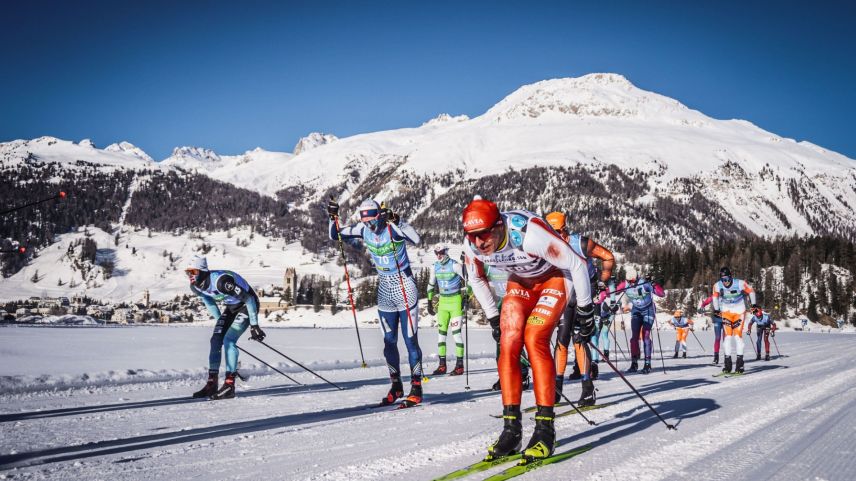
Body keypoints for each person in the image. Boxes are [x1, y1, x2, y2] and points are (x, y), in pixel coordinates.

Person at [463, 198, 593, 462]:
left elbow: (577, 264)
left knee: (535, 337)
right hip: (521, 282)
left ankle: (545, 430)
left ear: (499, 225)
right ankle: (511, 430)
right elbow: (476, 278)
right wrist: (492, 318)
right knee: (508, 341)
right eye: (472, 236)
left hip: (555, 278)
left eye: (483, 234)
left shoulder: (528, 235)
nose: (478, 242)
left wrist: (585, 310)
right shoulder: (472, 245)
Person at [328, 199, 424, 407]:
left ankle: (416, 386)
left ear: (379, 215)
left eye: (372, 221)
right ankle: (396, 385)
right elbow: (335, 234)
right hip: (385, 289)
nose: (370, 226)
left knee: (410, 341)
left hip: (405, 285)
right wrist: (333, 217)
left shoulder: (392, 228)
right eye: (366, 222)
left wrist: (398, 221)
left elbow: (416, 239)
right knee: (389, 341)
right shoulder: (363, 229)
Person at [544, 211, 615, 406]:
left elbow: (608, 256)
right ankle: (557, 388)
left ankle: (587, 388)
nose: (552, 236)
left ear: (564, 229)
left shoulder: (580, 243)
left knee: (579, 339)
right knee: (561, 338)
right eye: (549, 231)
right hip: (565, 292)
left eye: (556, 231)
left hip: (585, 290)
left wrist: (602, 281)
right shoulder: (547, 245)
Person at [186, 255, 264, 400]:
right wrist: (220, 324)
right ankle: (212, 384)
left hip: (247, 305)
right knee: (216, 339)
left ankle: (229, 386)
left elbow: (249, 298)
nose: (190, 276)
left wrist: (254, 325)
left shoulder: (221, 282)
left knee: (229, 341)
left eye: (194, 272)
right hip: (232, 307)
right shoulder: (195, 286)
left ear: (203, 271)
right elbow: (209, 301)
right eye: (188, 272)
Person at [484, 264, 531, 391]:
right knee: (499, 339)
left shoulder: (510, 258)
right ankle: (504, 375)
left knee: (515, 339)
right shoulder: (487, 263)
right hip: (501, 303)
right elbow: (477, 278)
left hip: (518, 300)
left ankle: (522, 373)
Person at [427, 243, 466, 376]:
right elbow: (431, 284)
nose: (439, 255)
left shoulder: (455, 265)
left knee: (456, 335)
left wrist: (465, 297)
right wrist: (429, 301)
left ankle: (460, 366)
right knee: (441, 336)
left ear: (446, 251)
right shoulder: (434, 267)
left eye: (441, 252)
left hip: (455, 302)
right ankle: (442, 366)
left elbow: (469, 281)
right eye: (436, 253)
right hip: (443, 303)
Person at [618, 267, 665, 374]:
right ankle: (634, 363)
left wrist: (653, 284)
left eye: (633, 281)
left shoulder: (644, 283)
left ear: (637, 278)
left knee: (646, 335)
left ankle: (647, 364)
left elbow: (662, 294)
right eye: (629, 281)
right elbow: (612, 292)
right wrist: (607, 287)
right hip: (636, 310)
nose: (631, 283)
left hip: (648, 310)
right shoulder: (625, 284)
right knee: (634, 337)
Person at [712, 267, 757, 374]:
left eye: (727, 279)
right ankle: (727, 365)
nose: (725, 282)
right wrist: (717, 309)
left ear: (731, 277)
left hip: (739, 312)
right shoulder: (717, 285)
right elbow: (715, 297)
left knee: (737, 336)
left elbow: (751, 291)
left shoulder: (740, 283)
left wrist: (754, 304)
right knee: (727, 338)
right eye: (723, 280)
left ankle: (740, 364)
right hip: (726, 312)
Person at [698, 295, 723, 364]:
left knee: (726, 339)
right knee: (717, 338)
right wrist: (702, 306)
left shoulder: (727, 294)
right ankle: (716, 357)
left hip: (726, 319)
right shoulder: (714, 296)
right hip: (717, 318)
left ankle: (727, 358)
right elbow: (707, 301)